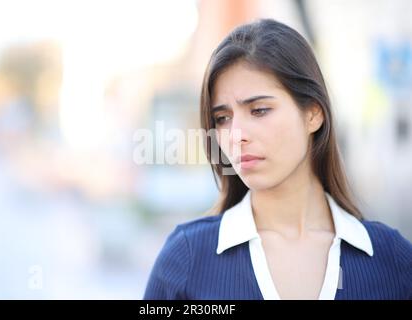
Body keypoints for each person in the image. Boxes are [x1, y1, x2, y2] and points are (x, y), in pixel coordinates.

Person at [143, 19, 412, 300]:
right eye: (223, 118)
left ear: (313, 114)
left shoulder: (392, 260)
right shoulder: (187, 260)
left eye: (259, 110)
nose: (236, 135)